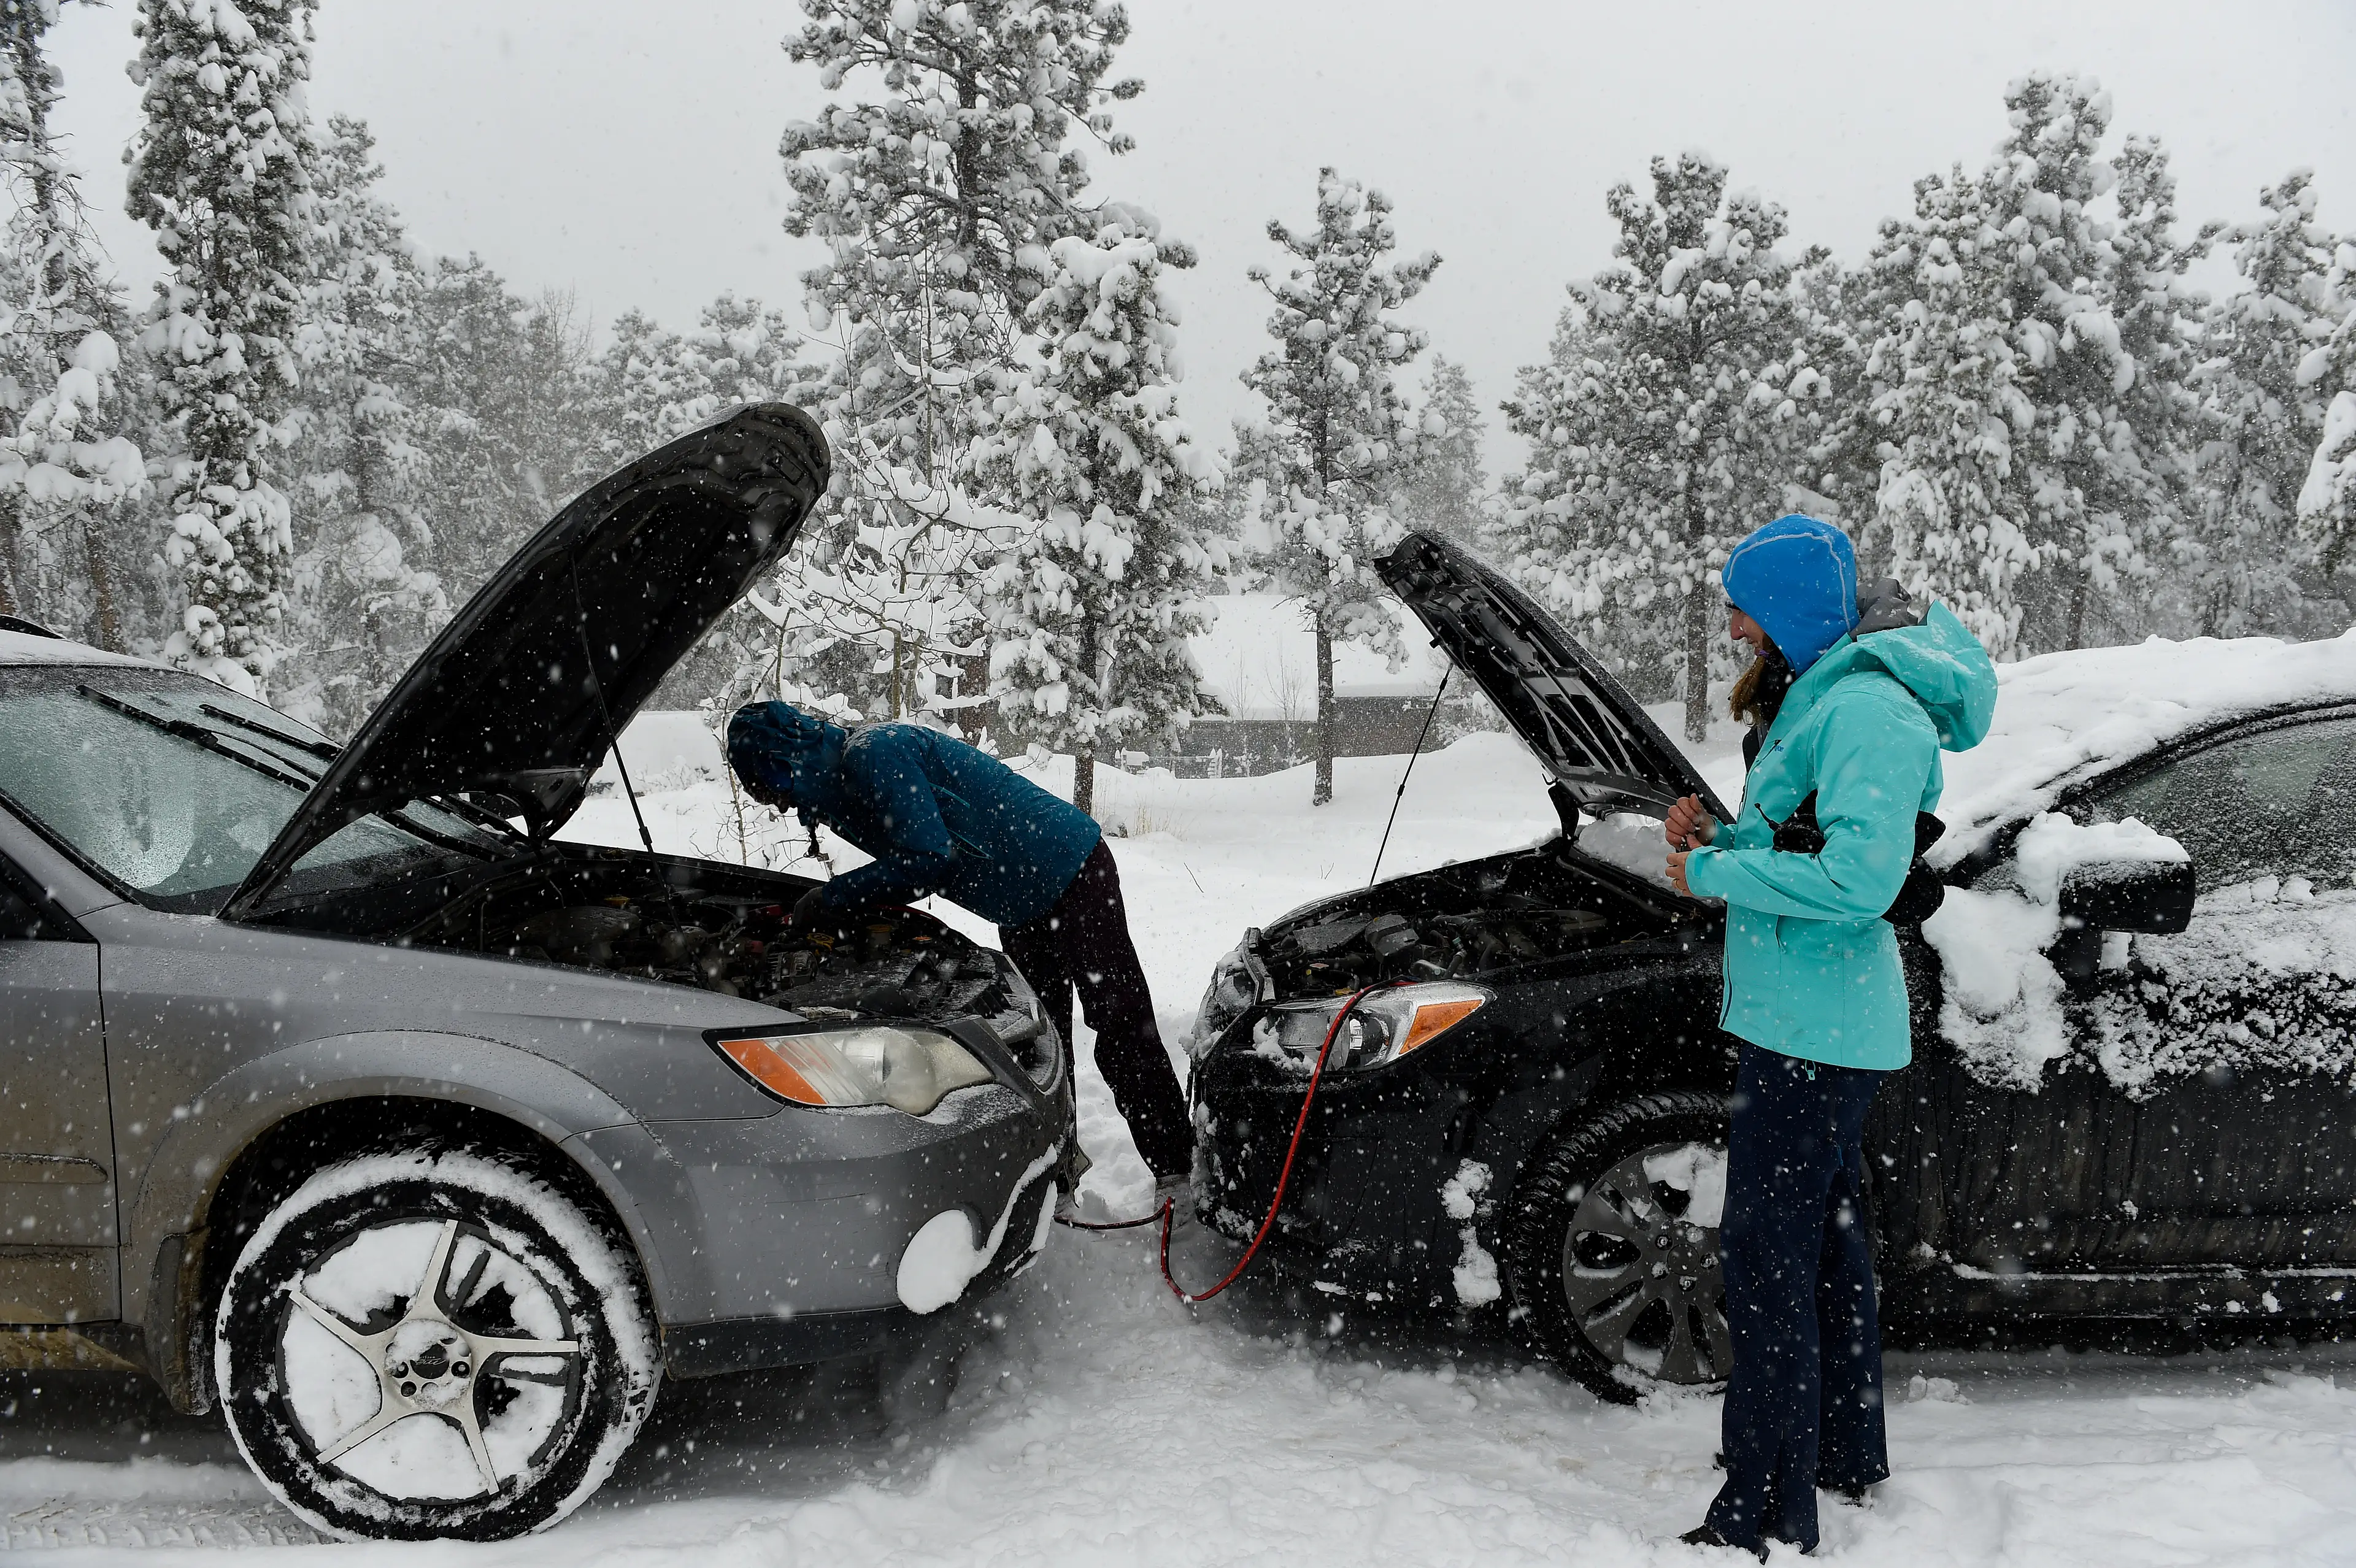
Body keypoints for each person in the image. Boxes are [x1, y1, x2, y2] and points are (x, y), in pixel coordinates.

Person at [1658, 514, 1996, 1559]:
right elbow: (1807, 838)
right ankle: (1837, 1455)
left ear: (1794, 607)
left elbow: (1861, 882)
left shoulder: (1865, 710)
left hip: (1819, 1030)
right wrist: (1721, 838)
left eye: (1745, 604)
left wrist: (1712, 877)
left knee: (1768, 1261)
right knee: (1827, 1251)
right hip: (1803, 1020)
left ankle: (1761, 1509)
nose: (1732, 624)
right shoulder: (1828, 694)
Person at [725, 701, 1193, 1197]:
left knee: (1118, 1018)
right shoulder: (837, 787)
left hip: (1067, 865)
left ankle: (1175, 1170)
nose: (776, 804)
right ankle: (1057, 1178)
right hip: (1018, 902)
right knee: (1041, 1039)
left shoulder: (874, 755)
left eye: (771, 787)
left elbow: (929, 857)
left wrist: (835, 898)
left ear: (790, 757)